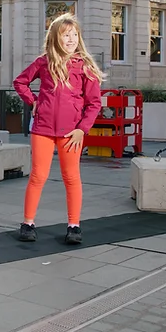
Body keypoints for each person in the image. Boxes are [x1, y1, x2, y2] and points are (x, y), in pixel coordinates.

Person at [13, 13, 104, 245]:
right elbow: (20, 82)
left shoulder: (84, 67)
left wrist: (82, 129)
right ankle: (28, 223)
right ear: (56, 38)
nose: (71, 39)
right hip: (42, 129)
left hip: (71, 132)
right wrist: (33, 102)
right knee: (37, 176)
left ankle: (74, 226)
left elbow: (94, 103)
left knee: (72, 178)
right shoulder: (43, 62)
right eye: (66, 35)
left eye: (74, 34)